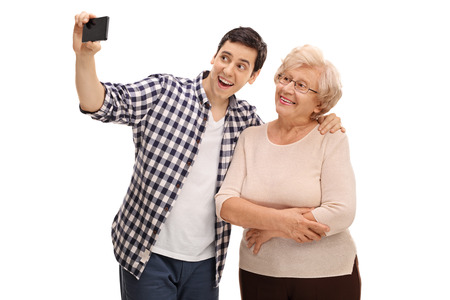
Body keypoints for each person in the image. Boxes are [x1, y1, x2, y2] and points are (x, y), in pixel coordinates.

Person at [73, 11, 344, 300]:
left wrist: (322, 121)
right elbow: (99, 102)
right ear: (213, 58)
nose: (228, 71)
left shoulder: (247, 122)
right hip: (146, 254)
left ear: (253, 77)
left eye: (242, 66)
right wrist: (85, 56)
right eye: (225, 58)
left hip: (205, 264)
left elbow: (283, 143)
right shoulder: (165, 92)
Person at [215, 44, 360, 300]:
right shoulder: (250, 137)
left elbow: (341, 210)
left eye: (302, 85)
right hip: (259, 271)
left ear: (320, 105)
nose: (287, 88)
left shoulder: (330, 137)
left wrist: (274, 230)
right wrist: (283, 221)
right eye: (285, 78)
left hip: (327, 274)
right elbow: (225, 204)